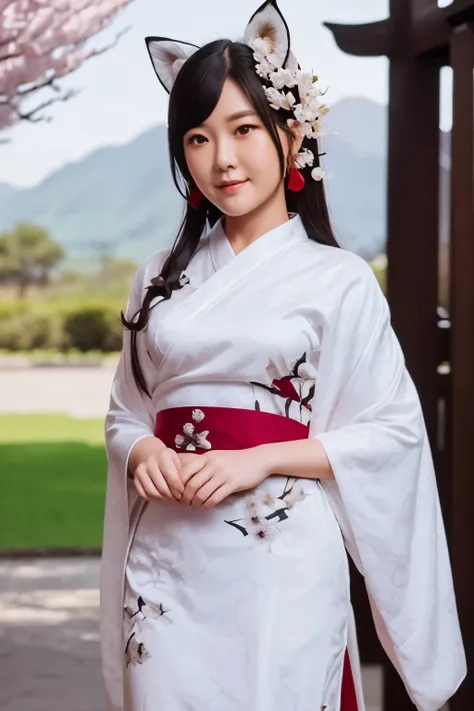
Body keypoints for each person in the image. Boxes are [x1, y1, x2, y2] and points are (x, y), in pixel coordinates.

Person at [100, 2, 466, 710]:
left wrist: (260, 457)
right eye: (199, 138)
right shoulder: (158, 277)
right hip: (169, 561)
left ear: (290, 133)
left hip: (280, 559)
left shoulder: (339, 279)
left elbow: (389, 431)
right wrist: (143, 452)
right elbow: (126, 412)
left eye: (242, 129)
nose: (223, 159)